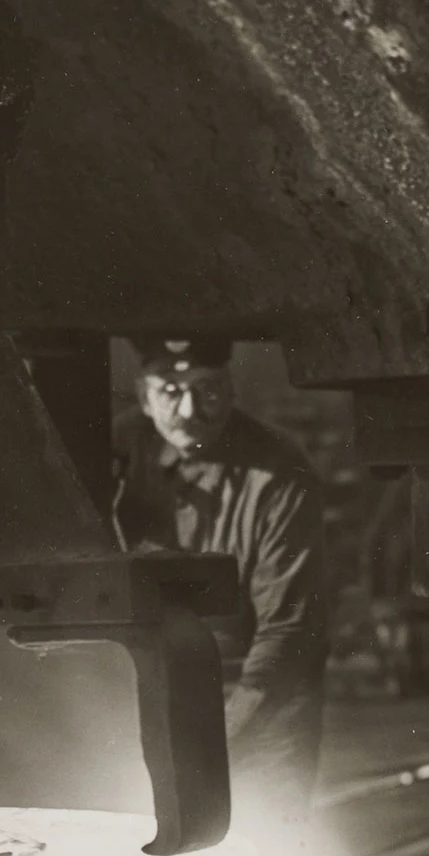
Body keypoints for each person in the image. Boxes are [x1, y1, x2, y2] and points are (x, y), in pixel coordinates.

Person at [112, 336, 328, 824]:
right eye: (170, 390)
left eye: (207, 390)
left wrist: (214, 738)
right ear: (144, 398)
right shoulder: (119, 453)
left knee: (266, 851)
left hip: (261, 697)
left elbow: (288, 631)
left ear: (230, 390)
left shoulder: (279, 475)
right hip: (154, 688)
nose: (189, 410)